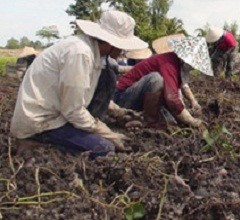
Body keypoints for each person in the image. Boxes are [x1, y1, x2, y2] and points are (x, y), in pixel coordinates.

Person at [10, 11, 148, 158]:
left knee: (109, 73)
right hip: (41, 123)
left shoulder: (93, 53)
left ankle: (77, 133)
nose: (122, 52)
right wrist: (108, 133)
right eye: (122, 47)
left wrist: (118, 110)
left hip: (57, 113)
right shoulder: (80, 54)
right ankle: (38, 145)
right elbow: (72, 110)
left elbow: (87, 93)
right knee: (104, 149)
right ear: (111, 43)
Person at [114, 35, 213, 129]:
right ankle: (148, 122)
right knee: (156, 79)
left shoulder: (176, 64)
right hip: (121, 99)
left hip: (137, 98)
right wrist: (192, 121)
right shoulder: (168, 63)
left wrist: (193, 102)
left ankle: (136, 118)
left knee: (172, 122)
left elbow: (181, 87)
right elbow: (172, 99)